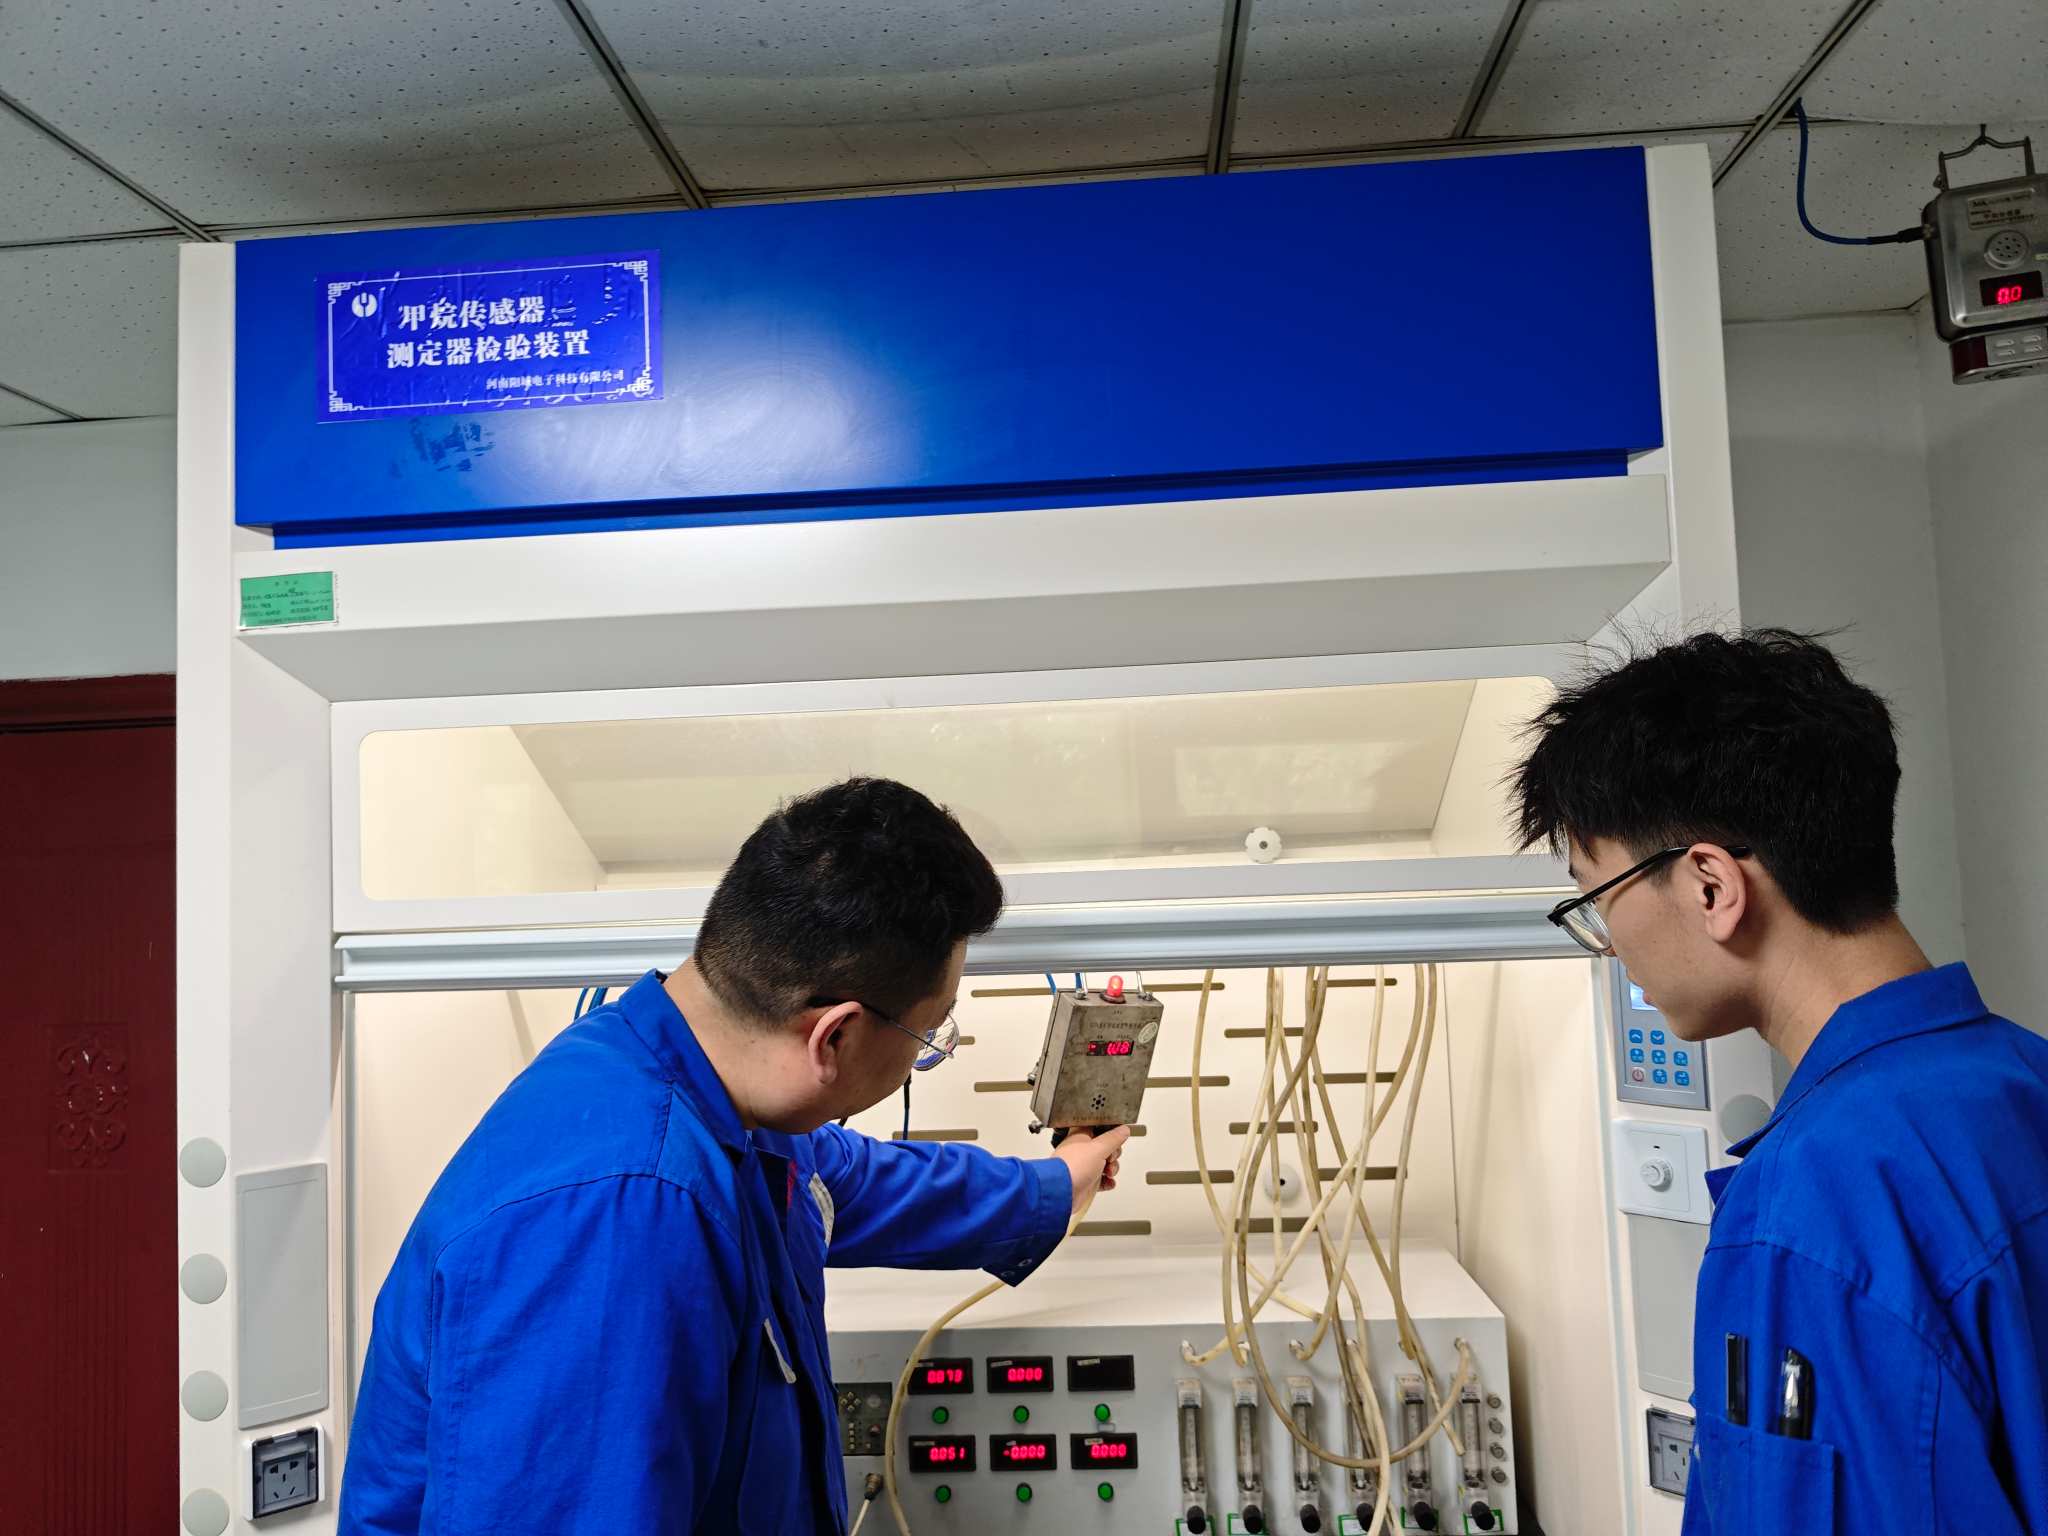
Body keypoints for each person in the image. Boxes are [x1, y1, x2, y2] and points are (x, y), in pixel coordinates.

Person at [339, 777, 1128, 1535]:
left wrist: (1059, 1182)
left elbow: (854, 1183)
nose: (927, 1051)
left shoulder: (708, 1091)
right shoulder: (619, 1218)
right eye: (931, 1031)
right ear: (836, 1036)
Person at [1511, 629, 2048, 1535]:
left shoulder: (1811, 1207)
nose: (1608, 947)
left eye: (1598, 902)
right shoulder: (2021, 1079)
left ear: (1712, 886)